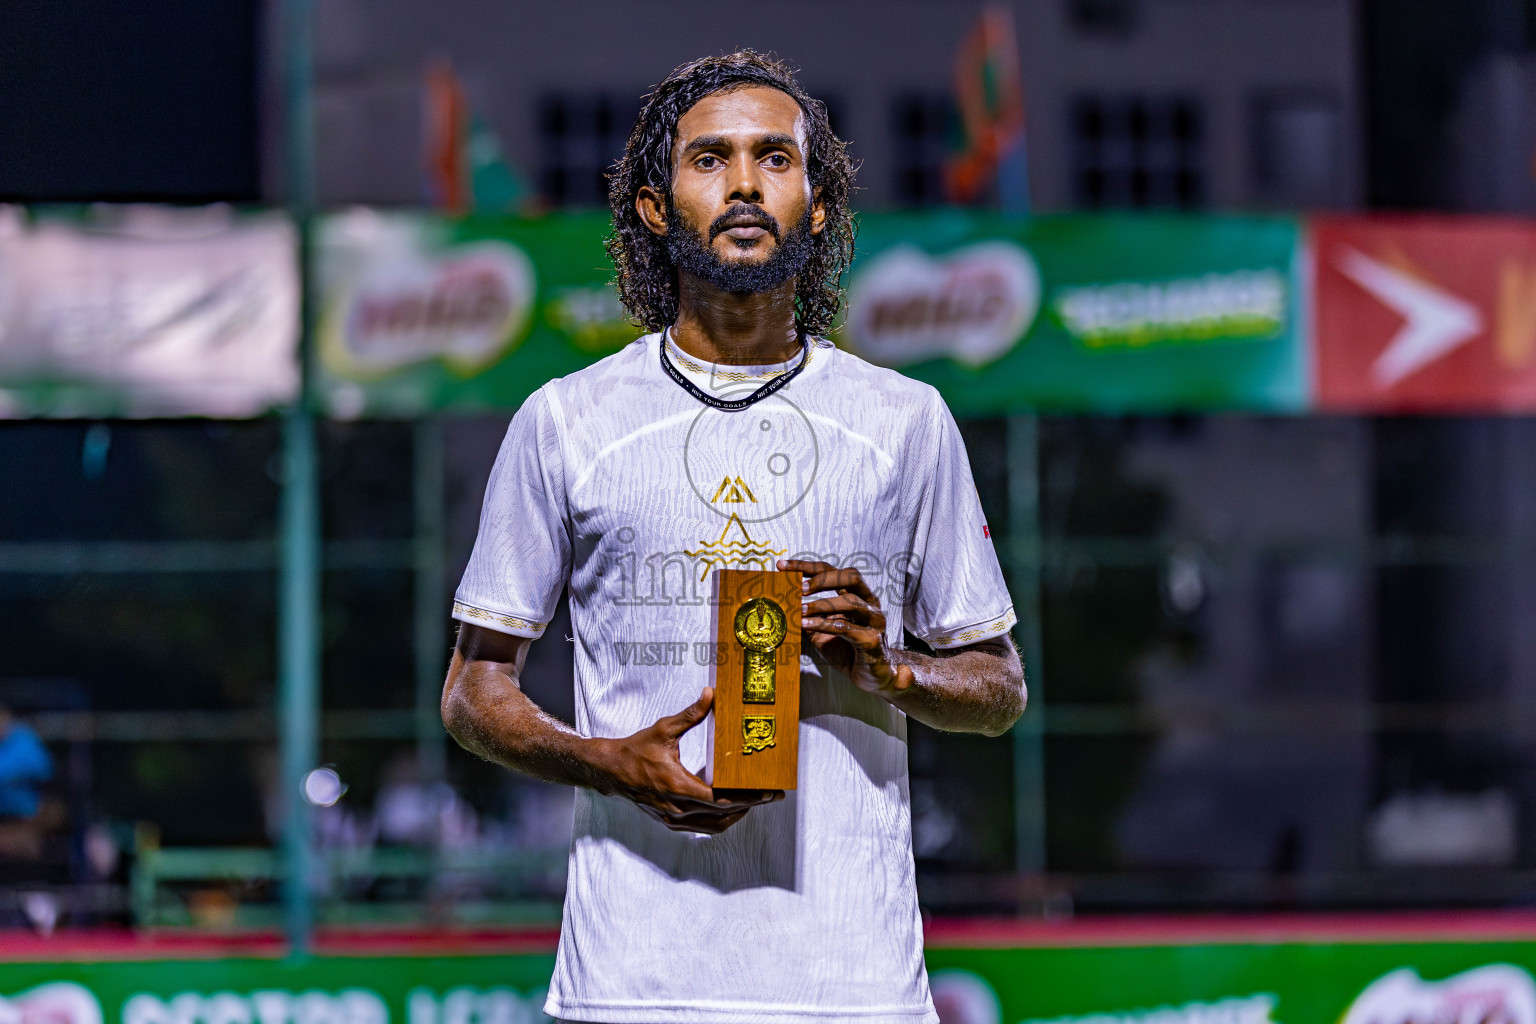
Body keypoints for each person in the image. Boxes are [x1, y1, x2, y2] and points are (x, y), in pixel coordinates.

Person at [442, 51, 1025, 1024]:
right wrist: (608, 759)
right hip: (631, 988)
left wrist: (897, 672)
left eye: (776, 159)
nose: (746, 181)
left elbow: (1000, 685)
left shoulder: (905, 420)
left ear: (821, 204)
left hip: (854, 988)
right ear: (655, 207)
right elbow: (471, 688)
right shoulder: (566, 419)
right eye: (710, 159)